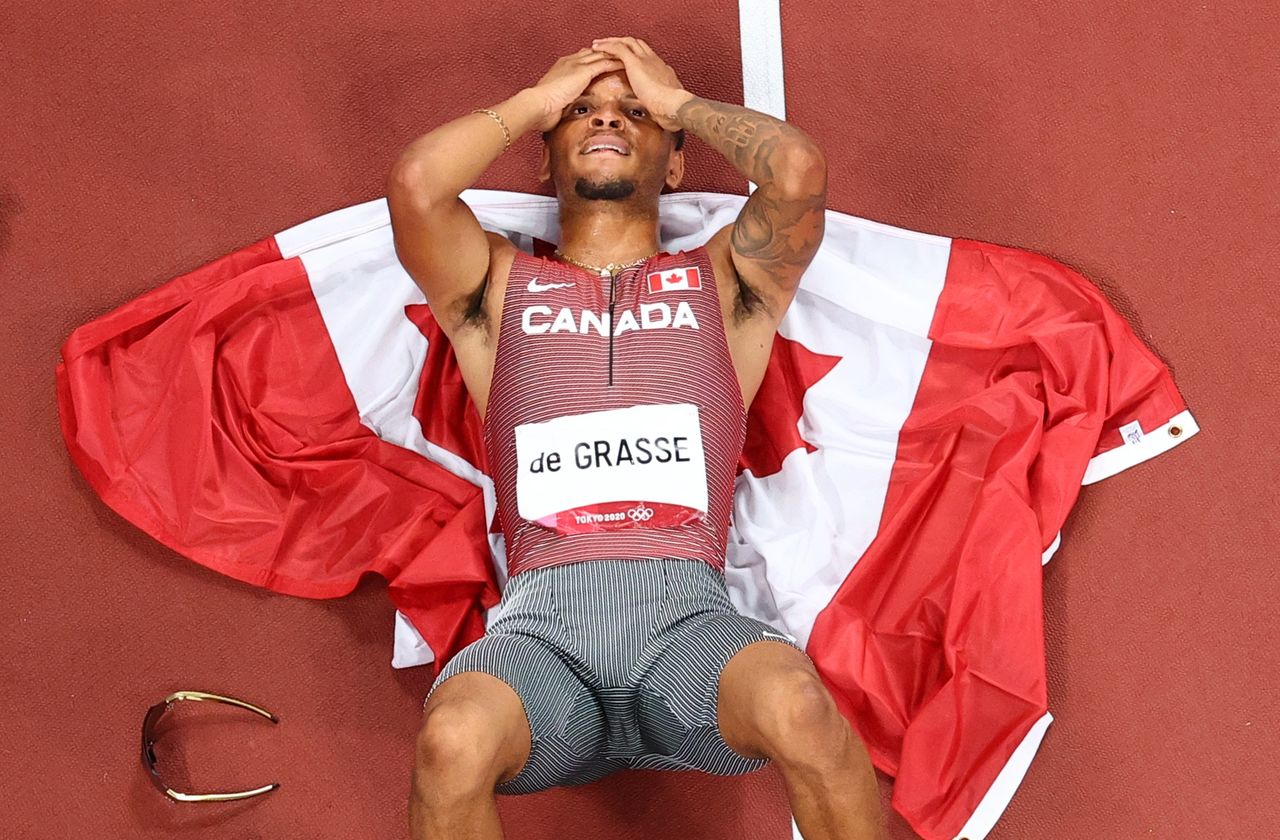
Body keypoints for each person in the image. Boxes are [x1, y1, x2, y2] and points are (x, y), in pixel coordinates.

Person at [388, 36, 885, 840]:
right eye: (584, 112)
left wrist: (678, 100)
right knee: (451, 740)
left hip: (688, 632)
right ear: (546, 154)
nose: (607, 117)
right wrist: (536, 102)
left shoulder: (726, 285)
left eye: (633, 111)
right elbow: (417, 186)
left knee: (801, 706)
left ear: (677, 163)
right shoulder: (494, 285)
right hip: (541, 640)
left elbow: (795, 173)